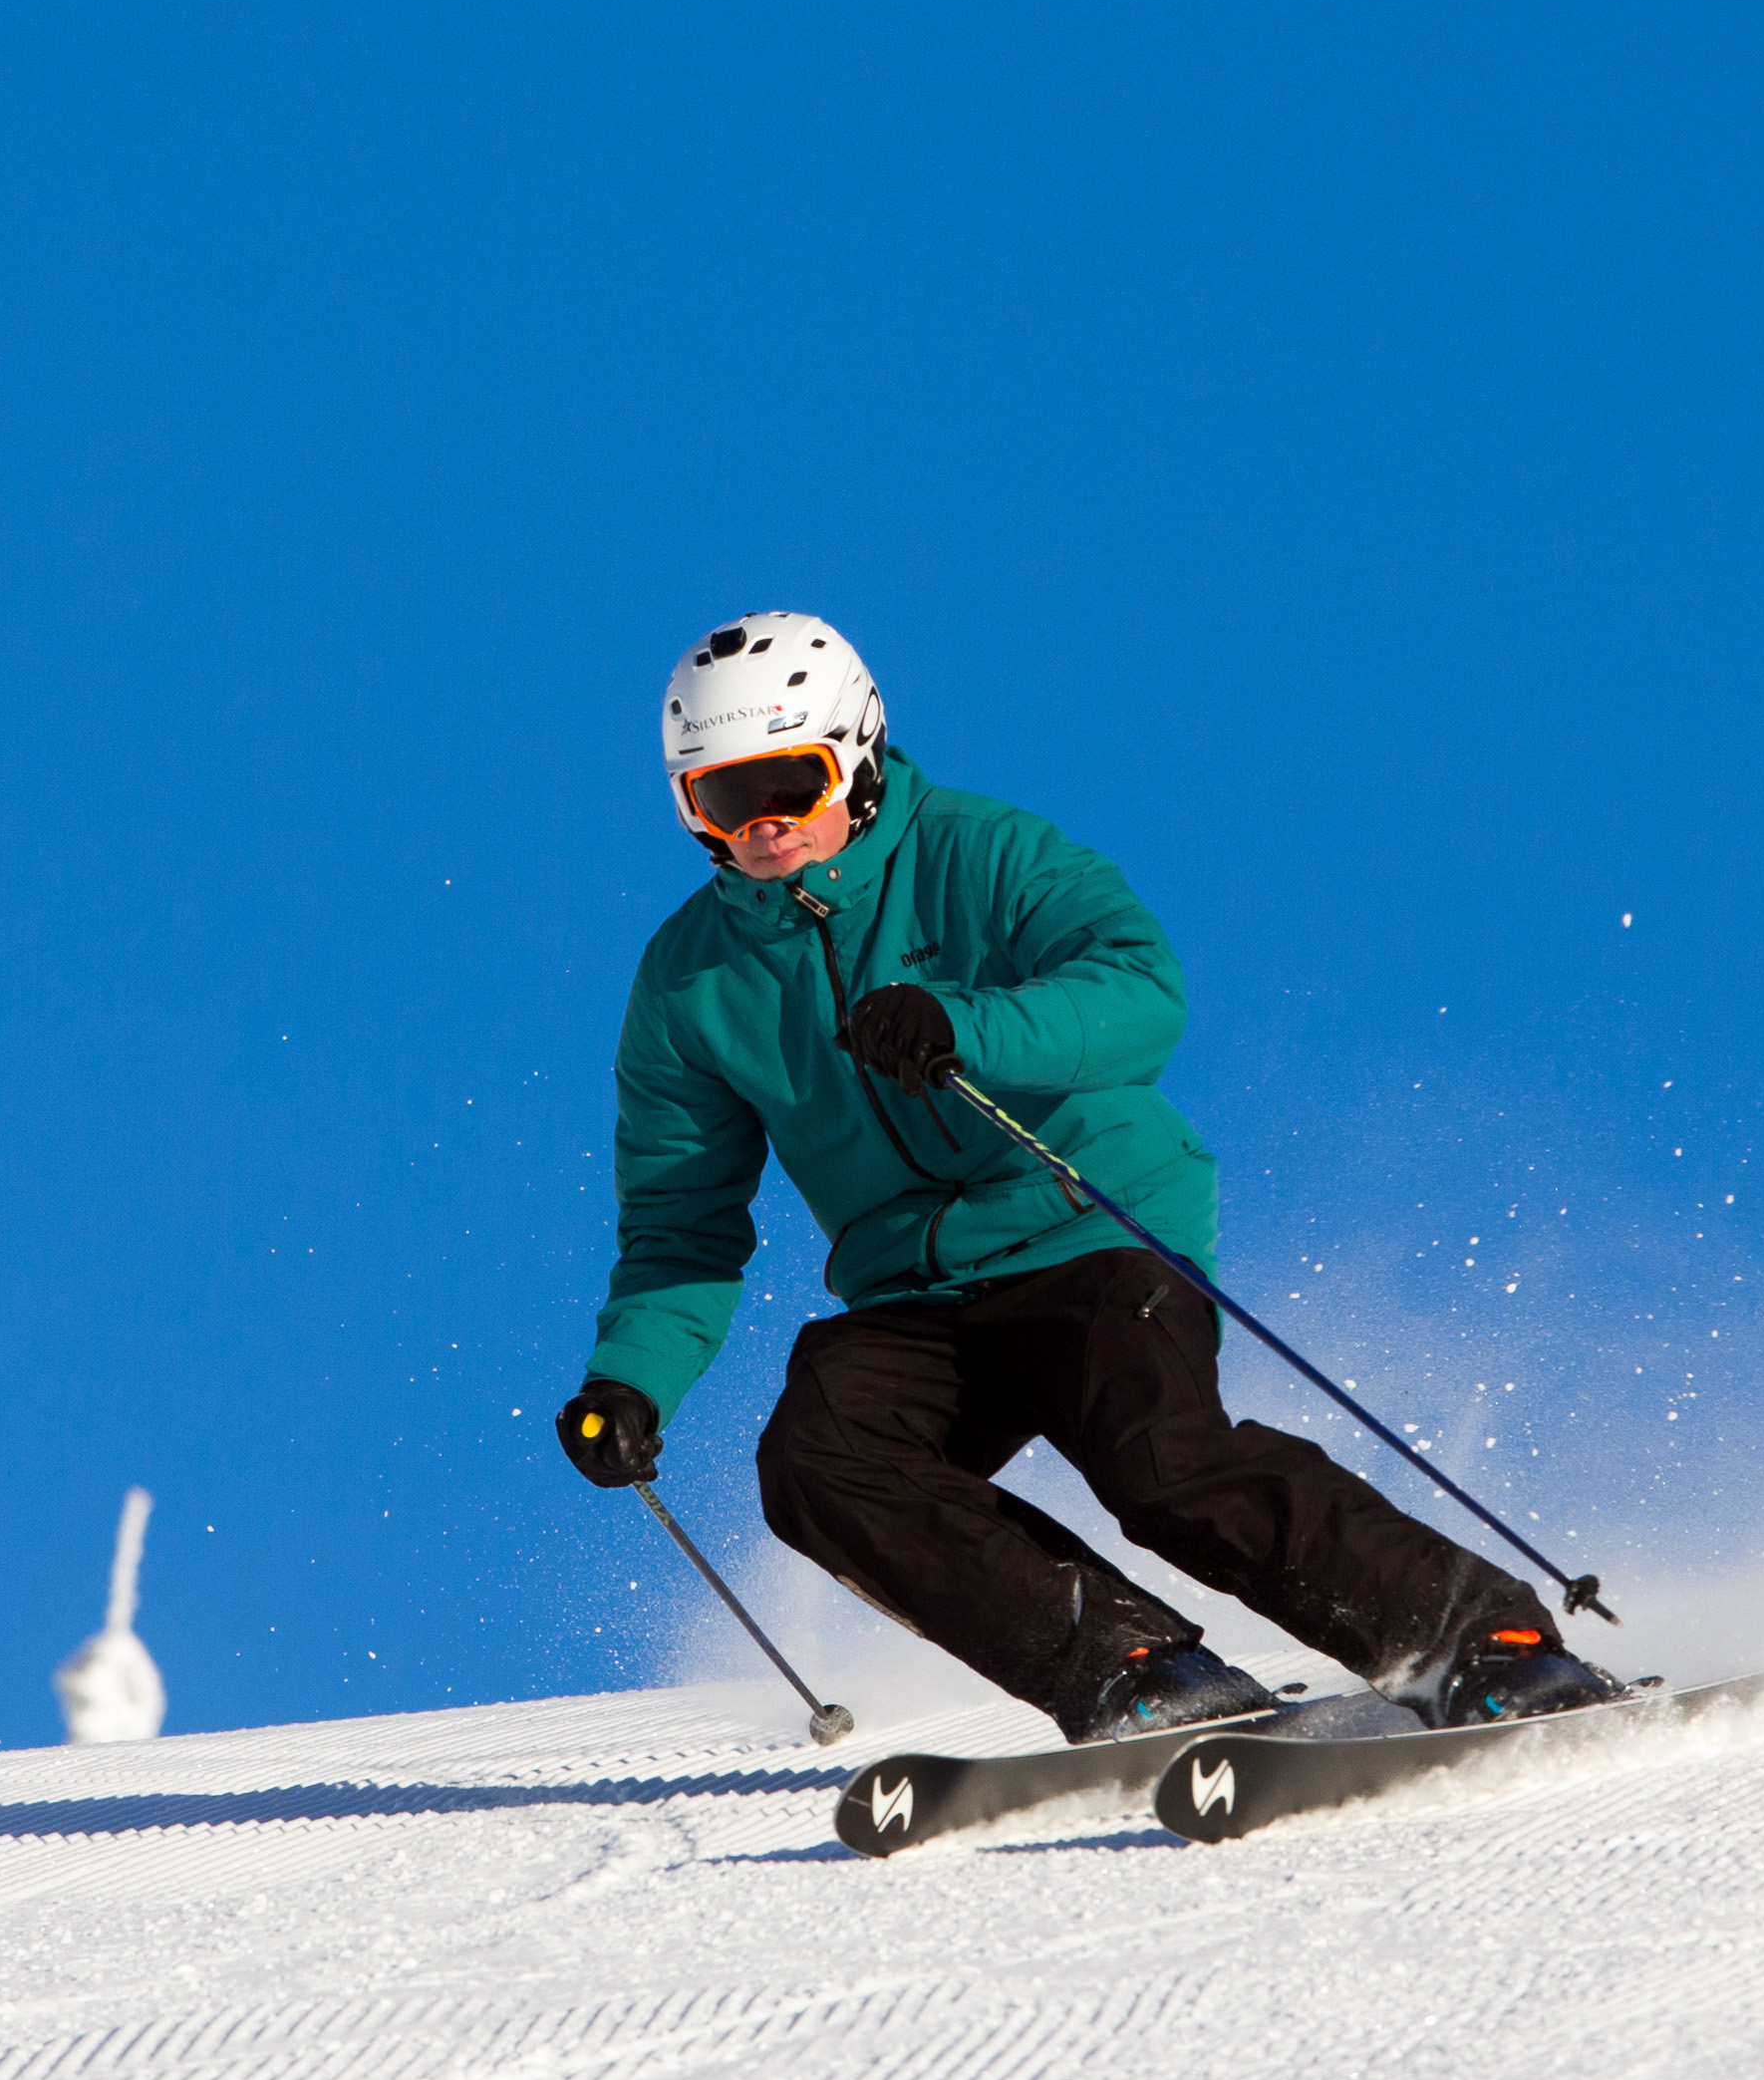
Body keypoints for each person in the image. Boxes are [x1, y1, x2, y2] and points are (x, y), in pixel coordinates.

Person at [554, 611, 1636, 1742]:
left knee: (1159, 1464)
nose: (761, 825)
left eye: (789, 779)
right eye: (721, 800)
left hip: (1084, 1231)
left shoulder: (985, 852)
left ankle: (1482, 1643)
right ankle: (1132, 1667)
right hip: (912, 1293)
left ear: (859, 754)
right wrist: (629, 1381)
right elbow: (683, 1219)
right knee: (822, 1462)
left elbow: (1141, 987)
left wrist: (967, 1027)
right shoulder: (690, 979)